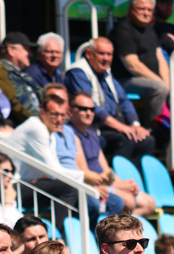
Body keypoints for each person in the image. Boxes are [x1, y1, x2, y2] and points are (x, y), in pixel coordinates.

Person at [65, 37, 156, 168]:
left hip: (113, 125)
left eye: (109, 54)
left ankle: (136, 180)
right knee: (126, 140)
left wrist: (135, 125)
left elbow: (124, 100)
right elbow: (92, 108)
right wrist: (122, 127)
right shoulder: (78, 72)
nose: (106, 58)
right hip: (92, 126)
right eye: (101, 53)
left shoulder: (106, 73)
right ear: (89, 54)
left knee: (146, 140)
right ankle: (117, 179)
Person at [68, 92, 156, 216]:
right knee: (128, 201)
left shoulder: (93, 135)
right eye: (83, 109)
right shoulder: (70, 134)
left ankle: (121, 227)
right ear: (71, 111)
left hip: (104, 183)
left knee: (149, 203)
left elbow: (106, 170)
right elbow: (84, 172)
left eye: (92, 109)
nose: (89, 113)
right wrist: (121, 188)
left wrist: (125, 185)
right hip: (92, 186)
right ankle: (115, 230)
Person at [4, 95, 85, 227]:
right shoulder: (36, 128)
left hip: (25, 183)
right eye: (54, 115)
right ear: (42, 113)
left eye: (63, 115)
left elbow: (52, 171)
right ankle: (61, 236)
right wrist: (85, 178)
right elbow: (54, 172)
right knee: (69, 189)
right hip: (11, 186)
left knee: (79, 194)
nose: (59, 120)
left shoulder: (49, 133)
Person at [107, 0, 170, 129]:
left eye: (149, 10)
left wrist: (168, 83)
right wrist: (162, 83)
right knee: (159, 88)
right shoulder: (123, 29)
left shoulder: (149, 30)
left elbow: (160, 59)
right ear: (130, 8)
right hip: (125, 80)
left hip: (150, 80)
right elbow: (133, 65)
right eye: (141, 9)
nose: (146, 13)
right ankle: (153, 130)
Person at [0, 32, 42, 126]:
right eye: (27, 49)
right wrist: (38, 121)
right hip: (23, 127)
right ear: (11, 50)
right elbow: (14, 102)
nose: (30, 54)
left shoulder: (22, 73)